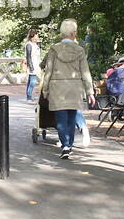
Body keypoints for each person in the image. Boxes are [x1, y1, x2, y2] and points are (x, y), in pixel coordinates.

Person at [40, 19, 95, 159]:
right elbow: (85, 72)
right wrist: (90, 92)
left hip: (58, 88)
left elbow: (48, 71)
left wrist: (45, 89)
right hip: (75, 88)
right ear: (74, 33)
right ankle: (69, 145)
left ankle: (65, 144)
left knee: (60, 119)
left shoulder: (54, 49)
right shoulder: (80, 50)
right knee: (72, 117)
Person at [23, 28, 41, 102]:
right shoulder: (29, 45)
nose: (37, 37)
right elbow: (28, 56)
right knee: (32, 82)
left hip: (36, 64)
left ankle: (29, 96)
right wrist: (31, 67)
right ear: (32, 36)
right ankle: (29, 97)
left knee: (31, 81)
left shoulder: (35, 44)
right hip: (32, 65)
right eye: (36, 35)